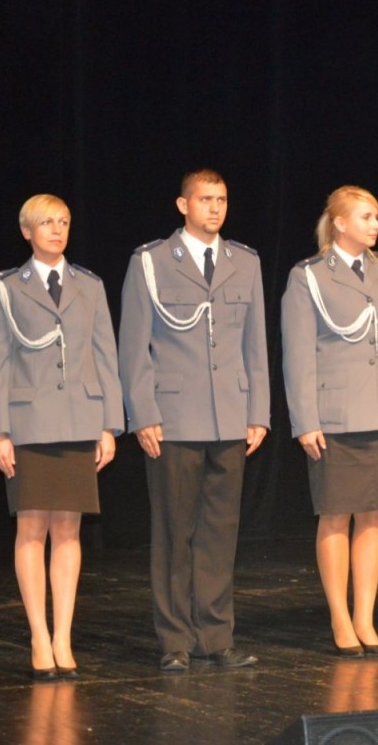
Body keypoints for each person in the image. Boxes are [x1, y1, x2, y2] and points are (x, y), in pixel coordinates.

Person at [119, 169, 269, 670]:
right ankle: (175, 641)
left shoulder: (244, 261)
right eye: (205, 199)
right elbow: (134, 346)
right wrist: (143, 413)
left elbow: (255, 344)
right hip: (174, 418)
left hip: (230, 416)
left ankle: (216, 636)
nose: (215, 208)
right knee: (174, 533)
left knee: (220, 534)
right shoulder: (152, 261)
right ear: (183, 205)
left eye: (221, 199)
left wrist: (258, 412)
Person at [0, 194, 123, 680]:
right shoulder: (6, 288)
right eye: (47, 223)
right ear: (27, 231)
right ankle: (38, 637)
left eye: (63, 221)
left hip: (80, 420)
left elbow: (106, 358)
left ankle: (63, 636)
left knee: (68, 531)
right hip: (29, 423)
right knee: (31, 531)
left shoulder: (90, 285)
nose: (57, 230)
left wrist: (109, 424)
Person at [281, 186, 378, 658]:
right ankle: (340, 618)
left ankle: (365, 616)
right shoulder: (308, 276)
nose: (376, 224)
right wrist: (305, 419)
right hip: (336, 415)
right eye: (366, 216)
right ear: (340, 223)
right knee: (336, 514)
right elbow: (298, 354)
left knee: (376, 514)